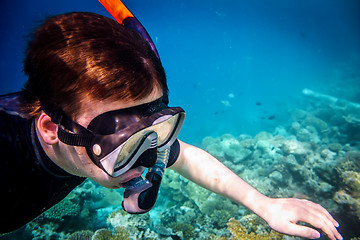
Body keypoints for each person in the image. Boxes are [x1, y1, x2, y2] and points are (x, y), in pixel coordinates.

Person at [0, 8, 342, 240]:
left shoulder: (83, 143)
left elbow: (185, 155)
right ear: (52, 128)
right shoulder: (7, 160)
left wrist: (265, 204)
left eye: (155, 129)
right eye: (123, 141)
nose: (150, 157)